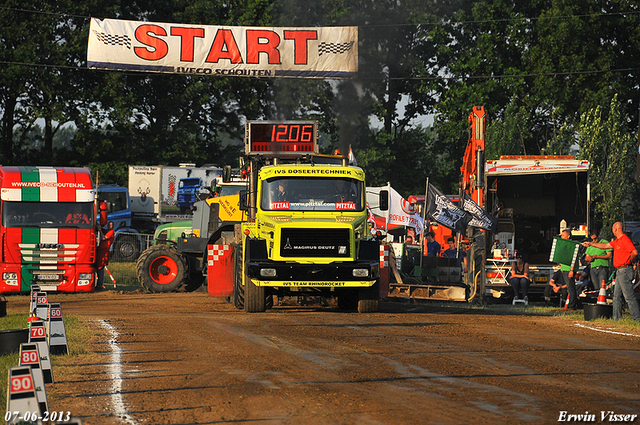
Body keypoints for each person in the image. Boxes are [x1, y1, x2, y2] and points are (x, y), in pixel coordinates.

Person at [582, 222, 640, 322]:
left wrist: (630, 260)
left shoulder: (624, 240)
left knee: (628, 296)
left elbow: (634, 252)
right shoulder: (617, 241)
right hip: (619, 271)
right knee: (616, 296)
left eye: (613, 228)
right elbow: (605, 245)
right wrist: (591, 244)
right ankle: (616, 318)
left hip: (624, 269)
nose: (612, 230)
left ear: (616, 229)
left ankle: (637, 319)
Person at [559, 228, 580, 310]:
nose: (561, 237)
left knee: (570, 287)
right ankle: (572, 304)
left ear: (568, 236)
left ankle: (572, 305)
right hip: (565, 268)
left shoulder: (572, 245)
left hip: (569, 269)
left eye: (563, 235)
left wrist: (571, 270)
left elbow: (573, 258)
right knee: (569, 287)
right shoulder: (564, 245)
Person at [95, 221, 115, 290]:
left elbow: (104, 237)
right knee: (97, 267)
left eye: (111, 225)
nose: (110, 226)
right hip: (99, 251)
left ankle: (100, 284)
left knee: (101, 267)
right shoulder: (106, 230)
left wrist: (100, 231)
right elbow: (100, 228)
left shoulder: (111, 232)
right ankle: (98, 284)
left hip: (104, 252)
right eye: (109, 224)